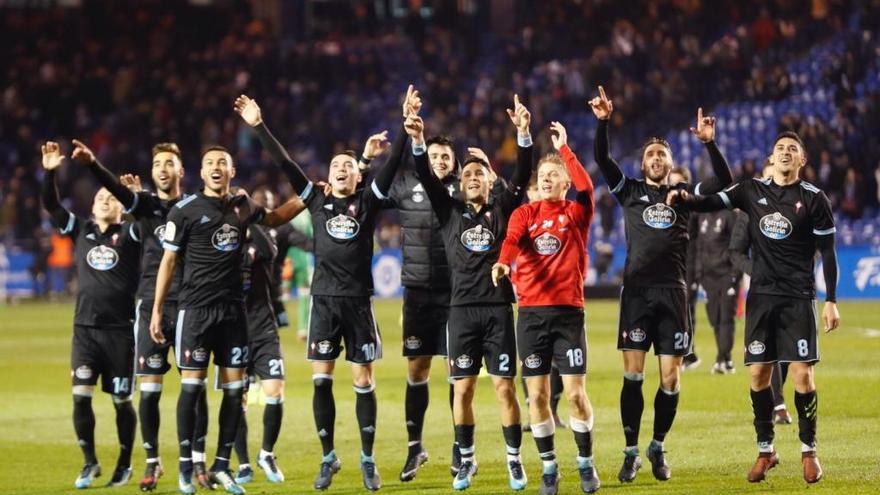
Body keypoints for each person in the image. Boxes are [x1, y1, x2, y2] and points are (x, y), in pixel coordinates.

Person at [235, 88, 412, 491]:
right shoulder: (315, 199)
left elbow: (391, 165)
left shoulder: (367, 201)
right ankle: (329, 457)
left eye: (348, 166)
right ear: (329, 176)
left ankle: (367, 460)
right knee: (322, 381)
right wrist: (259, 125)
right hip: (324, 304)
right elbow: (285, 162)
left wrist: (403, 127)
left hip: (358, 303)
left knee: (363, 381)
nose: (341, 169)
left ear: (357, 173)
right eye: (335, 165)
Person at [667, 131, 840, 484]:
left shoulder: (814, 199)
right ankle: (766, 449)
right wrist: (683, 198)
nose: (786, 152)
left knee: (802, 376)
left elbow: (829, 253)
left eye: (793, 149)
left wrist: (831, 301)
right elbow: (712, 201)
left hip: (798, 298)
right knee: (759, 376)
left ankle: (809, 450)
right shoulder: (751, 191)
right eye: (780, 148)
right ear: (772, 158)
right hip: (761, 298)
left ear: (802, 161)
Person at [589, 86, 733, 483]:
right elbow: (602, 158)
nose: (655, 159)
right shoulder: (629, 191)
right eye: (650, 154)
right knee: (633, 376)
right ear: (644, 162)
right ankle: (631, 451)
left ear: (670, 163)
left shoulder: (684, 197)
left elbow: (725, 183)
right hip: (636, 292)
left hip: (673, 293)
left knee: (671, 378)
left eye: (662, 155)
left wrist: (710, 145)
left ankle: (657, 445)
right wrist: (603, 122)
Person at [151, 143, 305, 495]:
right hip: (195, 312)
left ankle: (222, 465)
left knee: (235, 393)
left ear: (232, 171)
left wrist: (307, 197)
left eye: (223, 162)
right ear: (201, 173)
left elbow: (275, 218)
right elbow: (168, 263)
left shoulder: (243, 206)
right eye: (209, 163)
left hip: (234, 313)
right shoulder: (183, 211)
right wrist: (158, 310)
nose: (216, 166)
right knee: (191, 389)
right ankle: (187, 466)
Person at [406, 93, 531, 491]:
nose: (472, 179)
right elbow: (426, 176)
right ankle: (467, 459)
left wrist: (523, 133)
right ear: (460, 185)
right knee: (463, 388)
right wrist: (418, 140)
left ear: (490, 180)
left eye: (479, 175)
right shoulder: (449, 212)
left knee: (504, 387)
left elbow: (524, 173)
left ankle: (514, 460)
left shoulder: (503, 207)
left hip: (497, 310)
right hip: (460, 312)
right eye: (468, 176)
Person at [75, 140, 213, 491]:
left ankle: (196, 462)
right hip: (151, 304)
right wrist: (93, 164)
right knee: (149, 391)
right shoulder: (146, 206)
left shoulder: (197, 206)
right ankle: (152, 463)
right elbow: (117, 190)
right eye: (158, 165)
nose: (163, 169)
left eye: (169, 163)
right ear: (153, 173)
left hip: (191, 304)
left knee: (193, 389)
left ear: (181, 171)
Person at [492, 120, 599, 494]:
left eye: (556, 175)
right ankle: (550, 468)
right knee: (536, 396)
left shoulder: (576, 213)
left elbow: (588, 187)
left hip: (568, 313)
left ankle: (585, 462)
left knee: (574, 394)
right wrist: (504, 262)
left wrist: (566, 150)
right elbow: (511, 239)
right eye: (544, 174)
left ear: (565, 182)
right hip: (532, 316)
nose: (549, 179)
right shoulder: (525, 213)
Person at [40, 141, 141, 489]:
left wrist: (134, 202)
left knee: (121, 400)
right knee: (80, 395)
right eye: (100, 197)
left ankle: (125, 463)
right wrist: (50, 171)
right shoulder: (81, 229)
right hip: (85, 330)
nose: (104, 199)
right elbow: (51, 204)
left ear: (120, 207)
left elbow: (146, 220)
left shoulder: (131, 234)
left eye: (111, 197)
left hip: (120, 331)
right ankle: (89, 462)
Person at [383, 122, 459, 481]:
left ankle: (462, 447)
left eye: (446, 155)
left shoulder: (465, 188)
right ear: (424, 158)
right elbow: (377, 189)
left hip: (455, 293)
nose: (441, 160)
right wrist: (404, 132)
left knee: (457, 373)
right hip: (416, 292)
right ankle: (415, 448)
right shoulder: (405, 186)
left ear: (454, 161)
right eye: (435, 155)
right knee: (417, 371)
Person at [229, 192, 289, 485]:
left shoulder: (264, 234)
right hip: (231, 330)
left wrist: (251, 219)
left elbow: (270, 251)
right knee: (235, 398)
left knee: (275, 390)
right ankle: (242, 464)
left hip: (263, 327)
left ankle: (266, 452)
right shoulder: (221, 239)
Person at [727, 161, 793, 421]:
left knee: (787, 354)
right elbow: (735, 251)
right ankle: (777, 405)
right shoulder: (749, 210)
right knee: (768, 350)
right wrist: (756, 270)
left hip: (793, 290)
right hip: (763, 289)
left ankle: (775, 396)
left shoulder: (799, 206)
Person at [668, 167, 702, 372]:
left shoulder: (694, 212)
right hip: (672, 267)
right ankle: (685, 353)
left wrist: (697, 271)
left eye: (679, 183)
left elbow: (698, 244)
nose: (675, 187)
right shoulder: (667, 208)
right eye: (672, 182)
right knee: (676, 310)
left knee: (686, 311)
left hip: (688, 267)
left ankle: (687, 353)